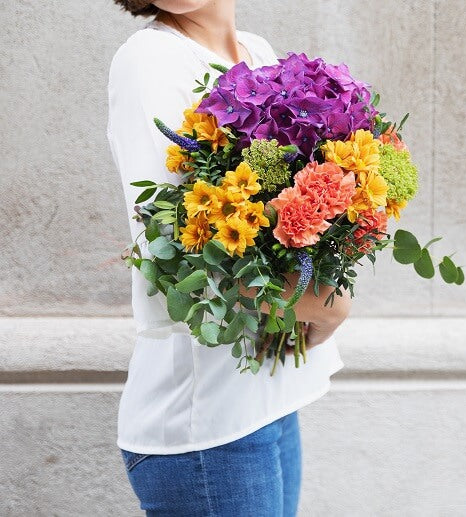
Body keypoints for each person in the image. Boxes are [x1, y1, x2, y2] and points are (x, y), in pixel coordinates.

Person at [107, 1, 353, 515]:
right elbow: (178, 259)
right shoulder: (149, 61)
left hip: (267, 404)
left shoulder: (257, 52)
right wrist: (323, 304)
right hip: (208, 431)